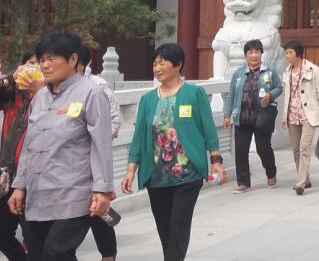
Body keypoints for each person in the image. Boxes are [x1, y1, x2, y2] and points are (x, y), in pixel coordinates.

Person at [9, 32, 113, 260]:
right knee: (37, 254)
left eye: (51, 58)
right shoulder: (39, 98)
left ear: (73, 59)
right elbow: (29, 146)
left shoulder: (91, 93)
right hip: (38, 194)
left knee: (56, 252)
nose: (45, 65)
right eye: (41, 59)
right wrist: (19, 187)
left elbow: (101, 145)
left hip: (73, 194)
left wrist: (102, 189)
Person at [120, 43, 226, 261]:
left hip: (188, 174)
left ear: (177, 65)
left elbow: (208, 129)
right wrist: (131, 170)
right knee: (164, 227)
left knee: (179, 224)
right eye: (154, 64)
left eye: (162, 63)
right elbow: (139, 137)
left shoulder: (194, 93)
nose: (157, 68)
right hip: (156, 176)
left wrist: (216, 160)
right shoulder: (148, 100)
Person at [77, 47, 122, 261]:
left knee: (98, 209)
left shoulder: (98, 86)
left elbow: (114, 119)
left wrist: (97, 141)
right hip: (67, 164)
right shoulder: (53, 88)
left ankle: (108, 254)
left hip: (92, 159)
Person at [222, 39, 282, 193]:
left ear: (261, 53)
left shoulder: (269, 71)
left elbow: (279, 87)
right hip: (242, 116)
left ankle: (271, 173)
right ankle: (243, 182)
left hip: (262, 116)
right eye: (250, 52)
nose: (254, 55)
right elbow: (231, 95)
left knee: (263, 148)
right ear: (246, 55)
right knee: (241, 150)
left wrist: (270, 95)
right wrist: (227, 115)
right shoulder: (238, 73)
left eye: (257, 52)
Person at [0, 48, 41, 261]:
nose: (33, 68)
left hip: (35, 177)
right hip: (8, 176)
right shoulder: (11, 95)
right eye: (30, 63)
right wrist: (10, 78)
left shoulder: (52, 96)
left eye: (39, 63)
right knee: (2, 233)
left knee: (35, 238)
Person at [280, 40, 319, 195]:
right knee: (296, 150)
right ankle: (305, 179)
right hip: (292, 115)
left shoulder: (313, 70)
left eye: (290, 52)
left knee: (304, 148)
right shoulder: (287, 71)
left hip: (309, 114)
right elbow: (287, 96)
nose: (287, 56)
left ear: (299, 54)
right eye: (286, 53)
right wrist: (284, 117)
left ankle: (300, 183)